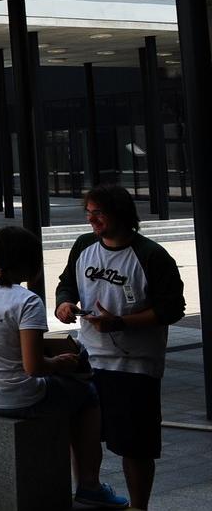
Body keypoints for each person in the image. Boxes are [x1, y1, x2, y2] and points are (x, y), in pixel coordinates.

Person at [0, 225, 126, 508]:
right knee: (87, 395)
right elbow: (34, 367)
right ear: (30, 263)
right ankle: (89, 485)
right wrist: (59, 361)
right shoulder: (27, 301)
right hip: (13, 397)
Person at [55, 185, 185, 510]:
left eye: (98, 213)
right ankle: (89, 487)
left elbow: (172, 309)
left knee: (135, 445)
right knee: (84, 433)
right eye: (89, 212)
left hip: (135, 365)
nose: (92, 219)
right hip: (90, 357)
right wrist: (65, 303)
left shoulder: (152, 256)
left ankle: (139, 505)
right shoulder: (84, 245)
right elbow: (66, 282)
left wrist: (122, 322)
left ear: (120, 214)